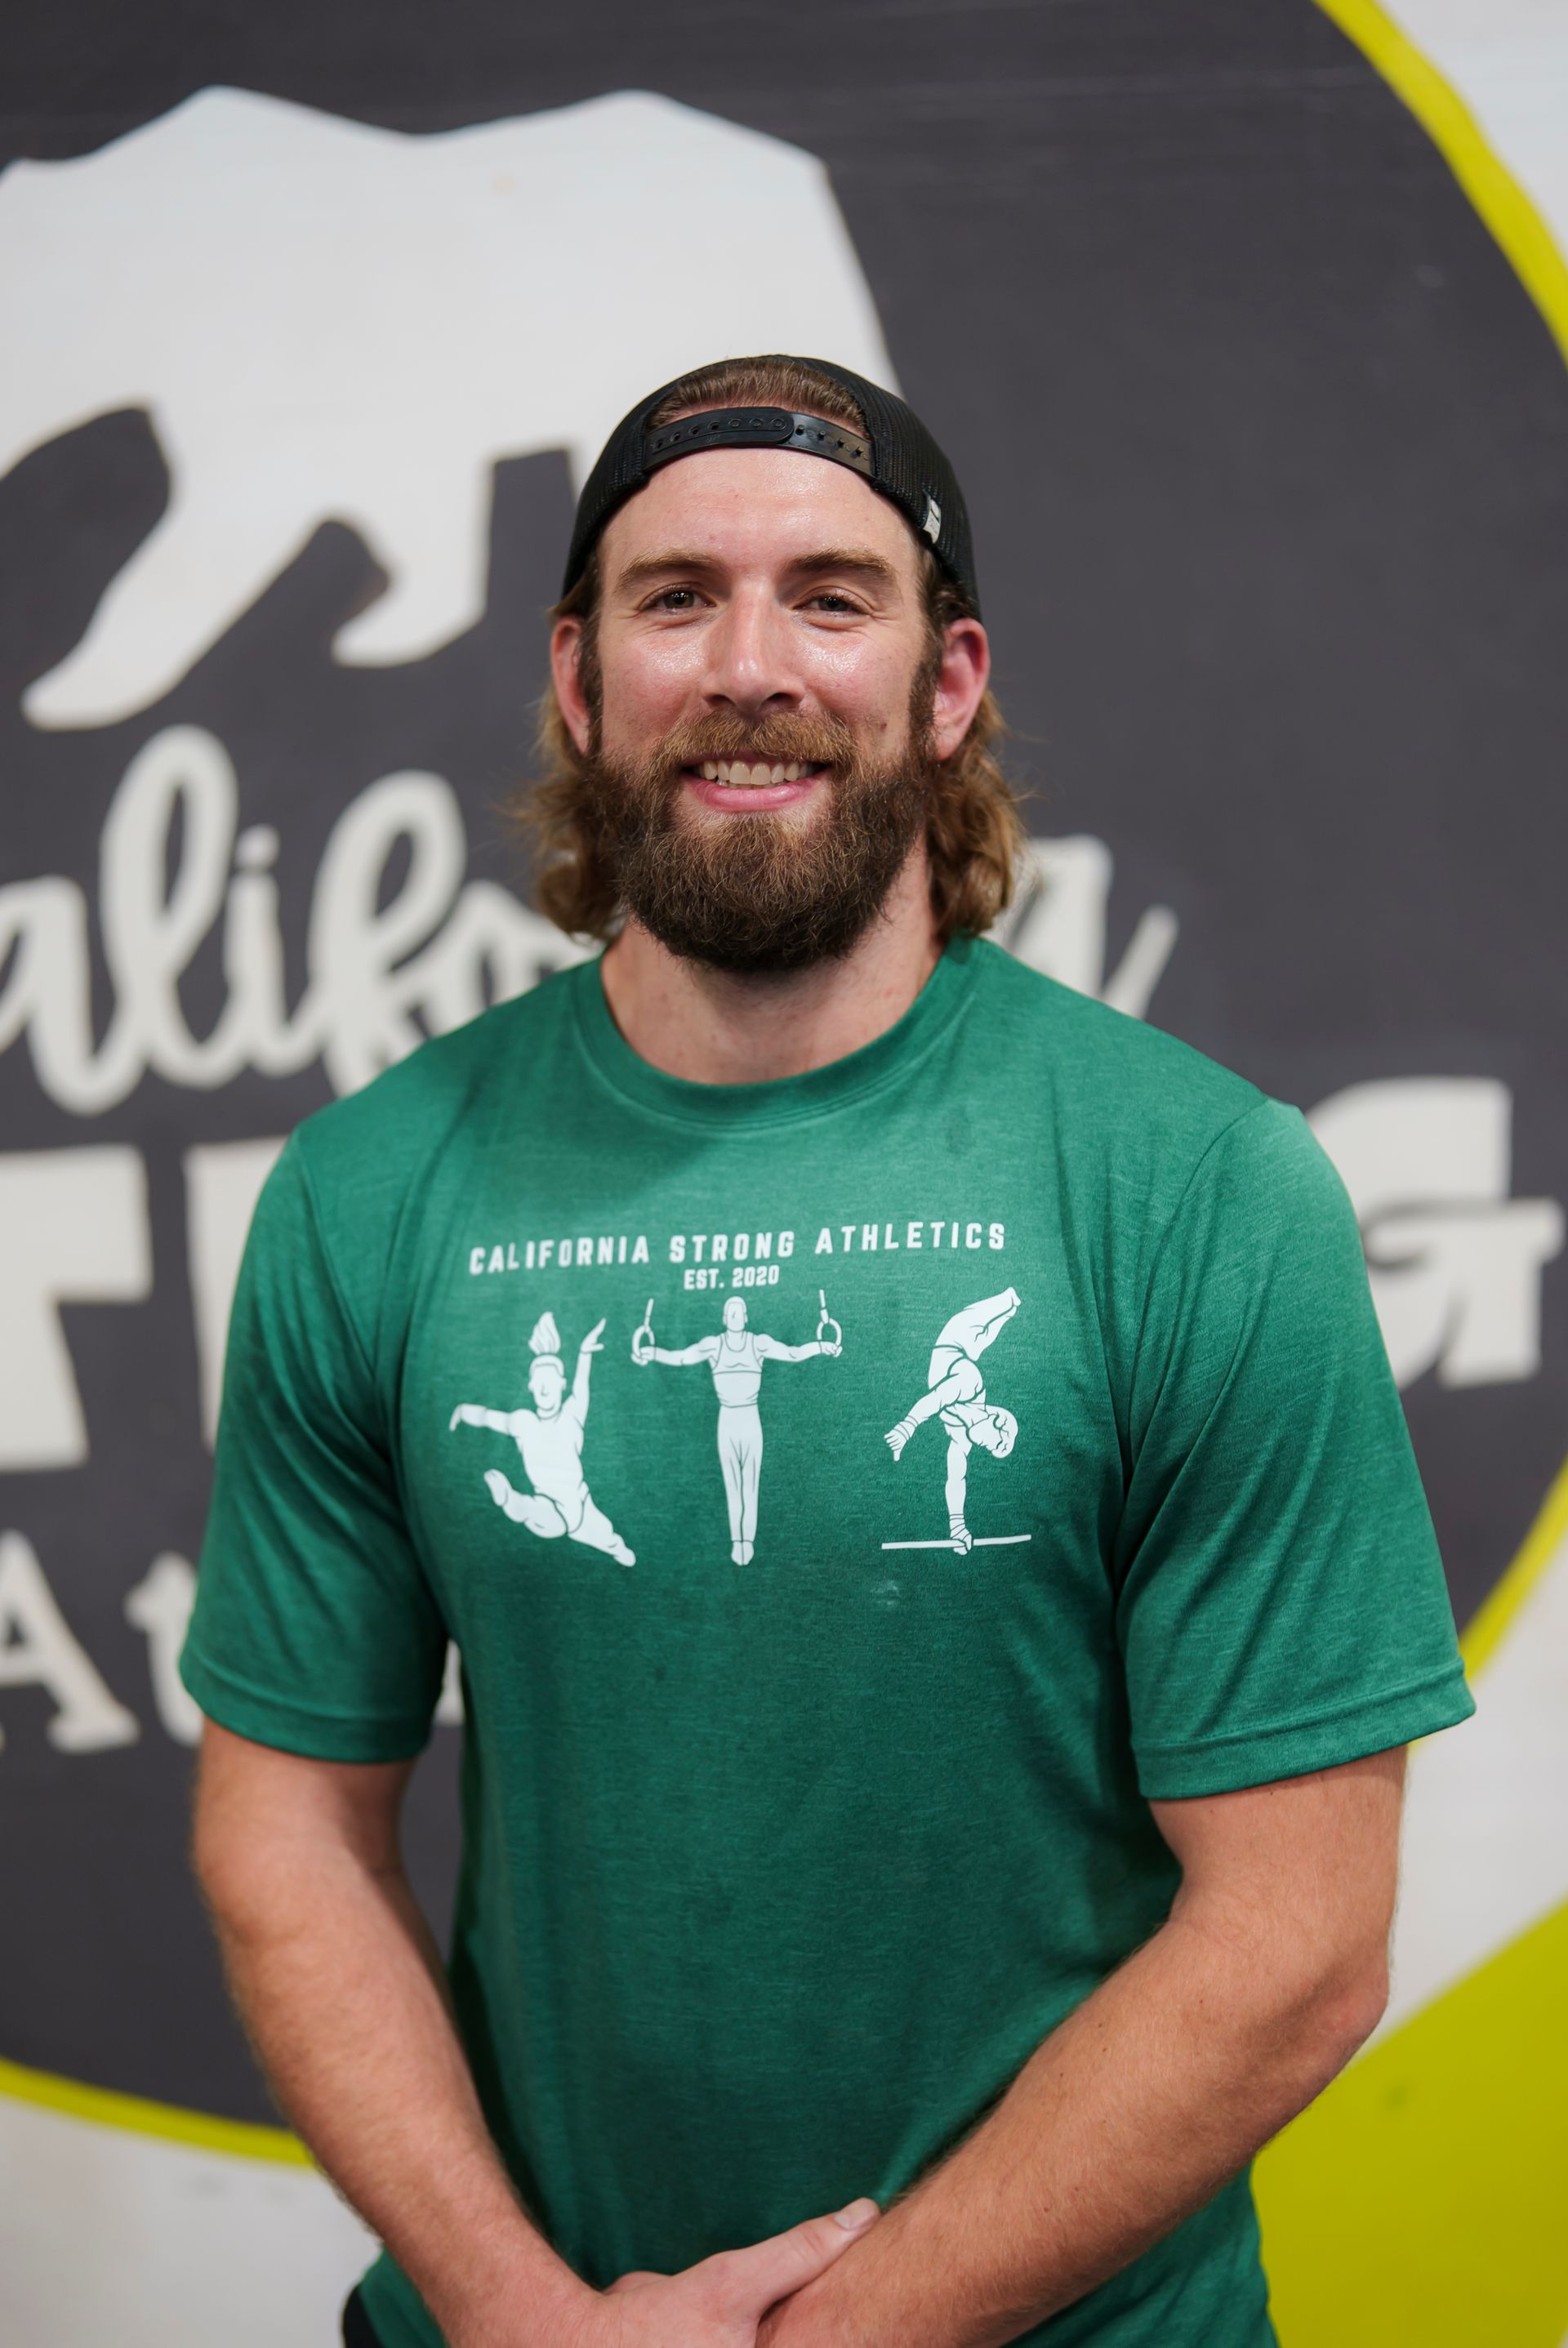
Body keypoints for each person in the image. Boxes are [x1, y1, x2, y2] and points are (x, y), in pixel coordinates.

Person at [180, 354, 1474, 2348]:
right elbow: (285, 1830)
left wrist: (836, 2335)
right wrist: (524, 2312)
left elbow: (1294, 1942)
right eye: (676, 595)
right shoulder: (372, 1189)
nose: (748, 663)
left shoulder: (1197, 1184)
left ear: (946, 683)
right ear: (576, 674)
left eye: (832, 596)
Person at [631, 1293, 842, 1562]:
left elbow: (793, 1353)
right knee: (733, 1485)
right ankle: (737, 1540)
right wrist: (652, 1353)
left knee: (750, 1485)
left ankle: (748, 1540)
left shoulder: (759, 1344)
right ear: (724, 1318)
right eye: (730, 1311)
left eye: (738, 1311)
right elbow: (682, 1357)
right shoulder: (713, 1346)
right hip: (727, 1420)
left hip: (749, 1419)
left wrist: (822, 1347)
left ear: (745, 1317)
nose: (734, 1315)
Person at [448, 1311, 635, 1567]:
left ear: (561, 1384)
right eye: (539, 1383)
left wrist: (584, 1354)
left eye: (550, 1382)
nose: (545, 1389)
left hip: (581, 1503)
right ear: (531, 1387)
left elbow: (582, 1387)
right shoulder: (524, 1423)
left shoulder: (570, 1418)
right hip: (549, 1504)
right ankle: (509, 1499)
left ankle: (616, 1547)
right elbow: (488, 1417)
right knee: (541, 1518)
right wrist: (462, 1412)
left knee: (609, 1538)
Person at [884, 1285, 1020, 1552]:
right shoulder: (971, 1382)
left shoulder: (961, 1434)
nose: (987, 1449)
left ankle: (1009, 1307)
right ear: (995, 1419)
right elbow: (935, 1400)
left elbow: (956, 1479)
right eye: (994, 1444)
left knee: (987, 1336)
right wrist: (906, 1427)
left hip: (952, 1349)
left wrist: (958, 1528)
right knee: (996, 1318)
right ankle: (1010, 1300)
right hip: (959, 1335)